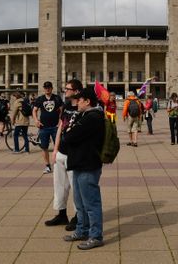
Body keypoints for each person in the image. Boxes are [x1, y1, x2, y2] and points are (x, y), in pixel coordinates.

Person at [62, 87, 105, 250]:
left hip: (88, 165)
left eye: (79, 100)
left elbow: (69, 136)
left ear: (87, 101)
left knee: (91, 203)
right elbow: (68, 134)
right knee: (80, 203)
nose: (76, 102)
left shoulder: (93, 117)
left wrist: (69, 132)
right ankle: (82, 230)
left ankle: (96, 236)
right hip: (79, 164)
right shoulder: (84, 116)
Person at [45, 79, 83, 230]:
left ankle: (78, 216)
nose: (65, 91)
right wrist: (55, 149)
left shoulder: (82, 107)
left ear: (76, 91)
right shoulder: (66, 106)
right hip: (61, 152)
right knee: (59, 185)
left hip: (75, 154)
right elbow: (60, 127)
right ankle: (61, 214)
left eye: (68, 88)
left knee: (76, 186)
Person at [33, 81, 64, 174]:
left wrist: (60, 121)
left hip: (55, 127)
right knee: (44, 147)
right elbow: (34, 110)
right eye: (46, 87)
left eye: (49, 87)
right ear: (44, 88)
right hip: (43, 127)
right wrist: (36, 120)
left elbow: (62, 110)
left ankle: (58, 165)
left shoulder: (57, 98)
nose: (47, 89)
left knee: (58, 146)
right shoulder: (40, 99)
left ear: (51, 88)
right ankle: (47, 166)